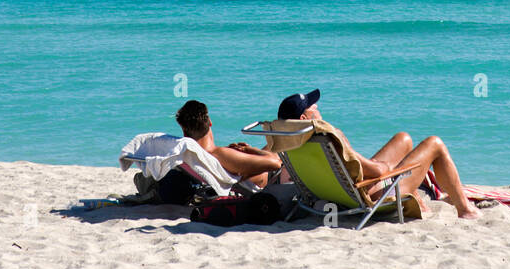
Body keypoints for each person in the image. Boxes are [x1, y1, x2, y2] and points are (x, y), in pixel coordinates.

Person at [277, 88, 479, 220]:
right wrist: (386, 168)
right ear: (305, 117)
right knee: (434, 143)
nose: (318, 109)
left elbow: (350, 167)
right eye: (314, 107)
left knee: (403, 138)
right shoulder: (329, 136)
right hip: (371, 194)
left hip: (336, 192)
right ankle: (465, 210)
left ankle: (416, 198)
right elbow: (375, 171)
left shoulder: (294, 140)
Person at [175, 99, 280, 189]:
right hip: (259, 183)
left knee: (274, 145)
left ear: (184, 132)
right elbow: (276, 163)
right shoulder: (219, 154)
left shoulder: (188, 153)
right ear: (210, 122)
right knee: (281, 146)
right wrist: (249, 150)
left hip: (230, 178)